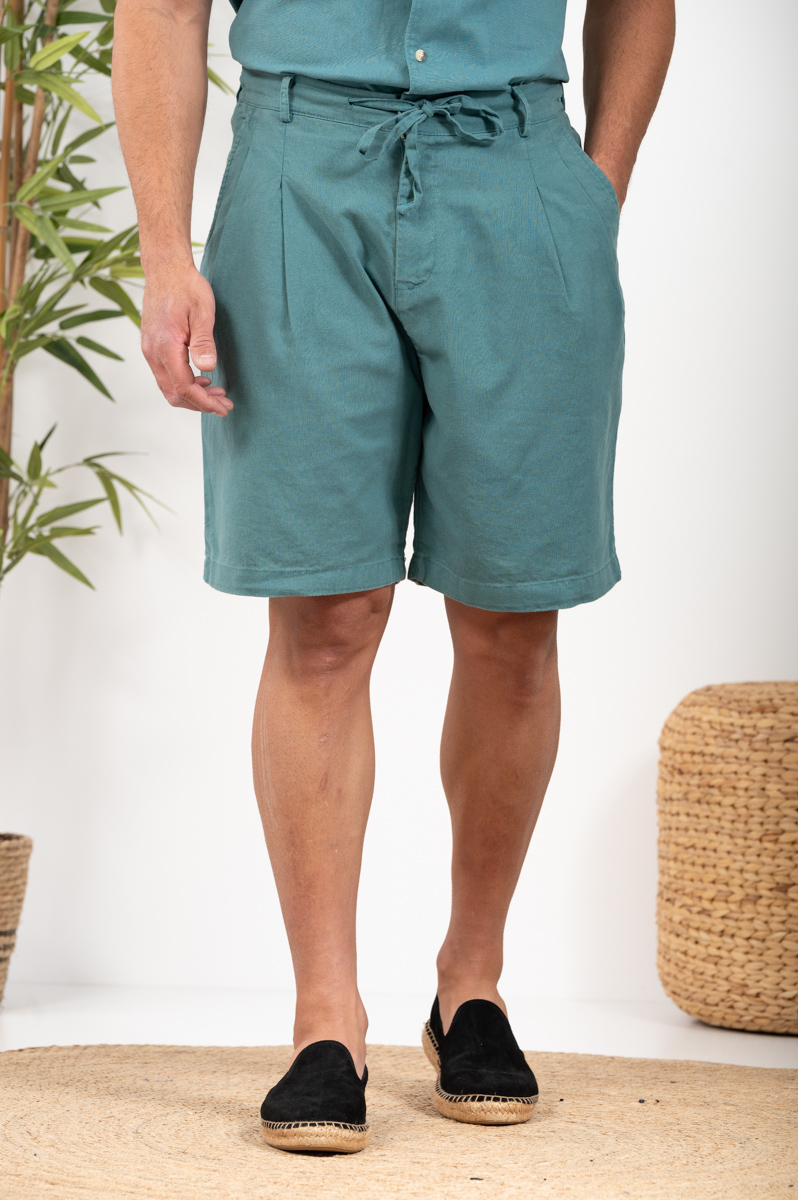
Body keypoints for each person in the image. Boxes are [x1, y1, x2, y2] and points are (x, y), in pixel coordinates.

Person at [112, 0, 675, 1155]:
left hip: (518, 172)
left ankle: (473, 983)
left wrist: (594, 194)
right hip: (296, 178)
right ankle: (326, 1018)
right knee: (323, 616)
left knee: (514, 619)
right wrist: (163, 251)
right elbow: (161, 6)